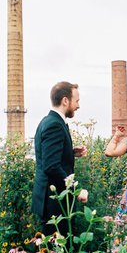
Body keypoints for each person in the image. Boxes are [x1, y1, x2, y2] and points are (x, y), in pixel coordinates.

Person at [32, 81, 88, 240]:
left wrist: (70, 152)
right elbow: (51, 166)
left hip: (50, 201)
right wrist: (76, 191)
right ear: (65, 100)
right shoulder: (55, 125)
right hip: (54, 204)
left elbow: (48, 156)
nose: (78, 106)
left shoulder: (47, 121)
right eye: (76, 101)